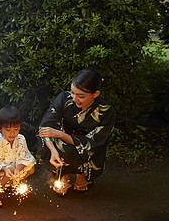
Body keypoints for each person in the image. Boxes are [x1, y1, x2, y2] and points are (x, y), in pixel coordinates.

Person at [38, 68, 116, 196]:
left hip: (87, 146)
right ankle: (64, 174)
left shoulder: (106, 111)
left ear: (95, 94)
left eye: (81, 96)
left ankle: (82, 175)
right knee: (59, 145)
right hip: (63, 144)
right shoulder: (64, 98)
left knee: (90, 148)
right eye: (73, 93)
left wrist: (60, 134)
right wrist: (52, 150)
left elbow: (94, 142)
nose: (74, 99)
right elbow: (46, 126)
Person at [0, 106, 36, 207]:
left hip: (13, 171)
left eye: (16, 129)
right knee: (7, 175)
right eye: (8, 130)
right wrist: (5, 169)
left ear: (20, 127)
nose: (12, 133)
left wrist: (17, 169)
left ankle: (12, 185)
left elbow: (25, 157)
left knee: (31, 169)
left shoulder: (21, 139)